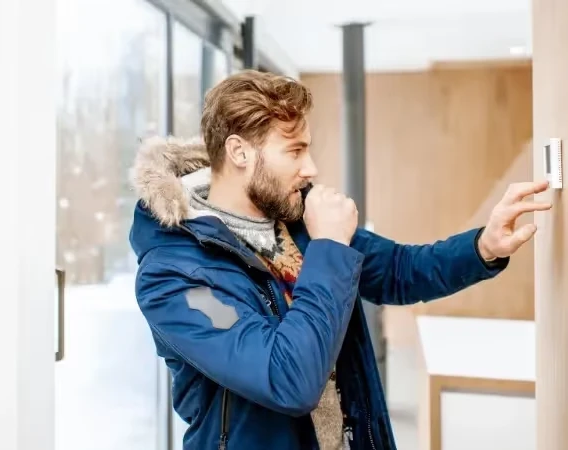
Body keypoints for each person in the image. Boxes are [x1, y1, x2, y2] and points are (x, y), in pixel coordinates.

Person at [128, 70, 551, 450]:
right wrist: (329, 245)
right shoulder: (177, 280)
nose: (311, 168)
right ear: (240, 152)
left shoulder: (297, 218)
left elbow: (400, 271)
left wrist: (483, 246)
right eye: (294, 151)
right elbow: (287, 379)